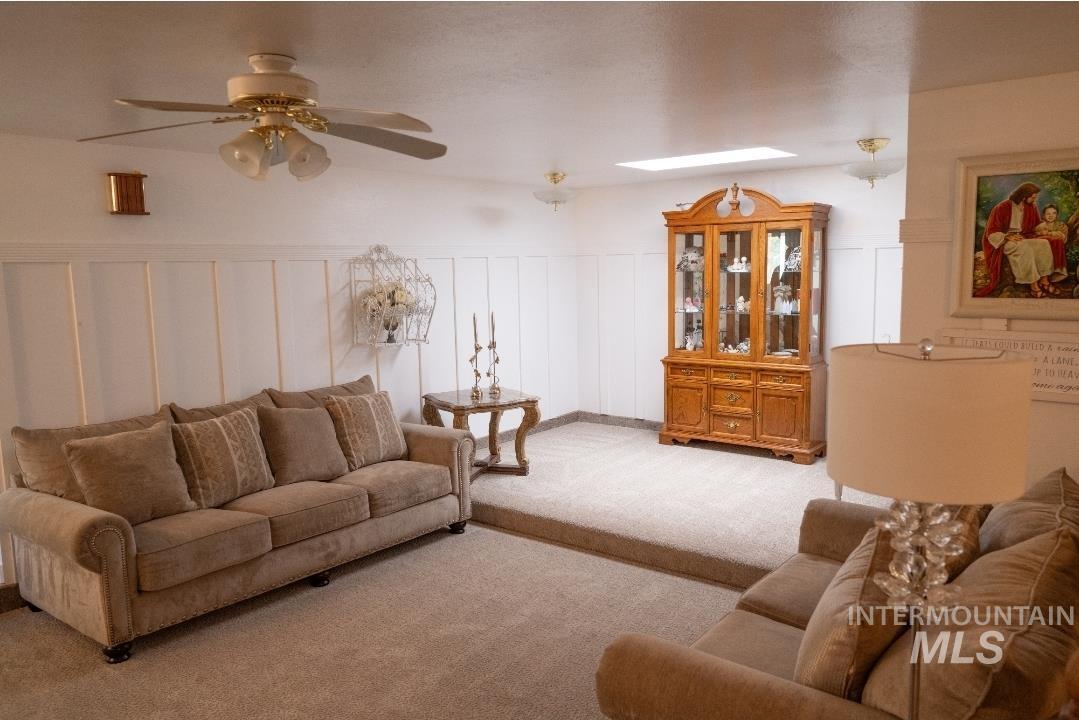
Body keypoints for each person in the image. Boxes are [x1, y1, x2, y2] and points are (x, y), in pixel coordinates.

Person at [976, 182, 1058, 298]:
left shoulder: (1031, 207)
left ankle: (1044, 281)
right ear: (1024, 196)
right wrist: (1006, 236)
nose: (1035, 199)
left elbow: (1035, 224)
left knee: (1043, 243)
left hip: (1022, 237)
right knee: (1024, 248)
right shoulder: (1002, 207)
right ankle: (1034, 286)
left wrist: (1043, 228)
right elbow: (991, 231)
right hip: (1004, 240)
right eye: (1033, 197)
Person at [1034, 203, 1069, 281]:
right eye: (1048, 213)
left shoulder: (1061, 225)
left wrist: (1052, 234)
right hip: (1043, 251)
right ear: (1044, 215)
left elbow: (1064, 238)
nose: (1051, 216)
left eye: (1054, 213)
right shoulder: (1040, 227)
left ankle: (1057, 272)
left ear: (1057, 215)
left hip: (1056, 250)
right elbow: (1036, 238)